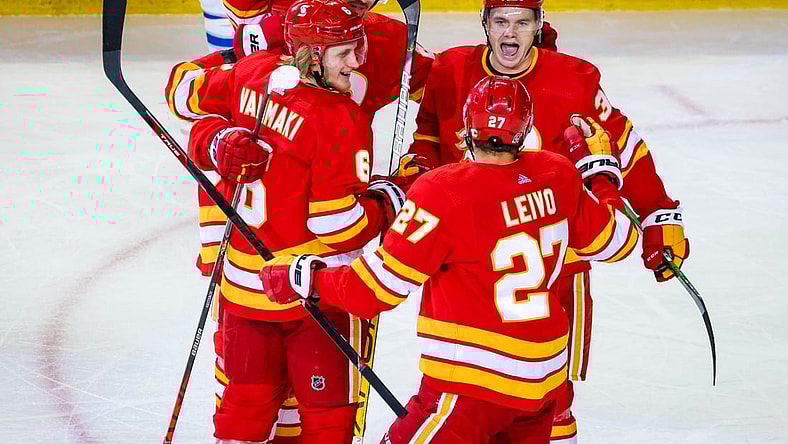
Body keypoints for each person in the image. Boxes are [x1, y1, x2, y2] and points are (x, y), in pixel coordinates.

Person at [259, 76, 638, 444]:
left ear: (466, 130)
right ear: (526, 128)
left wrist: (305, 277)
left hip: (471, 388)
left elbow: (374, 290)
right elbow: (619, 242)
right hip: (543, 387)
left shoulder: (442, 191)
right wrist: (600, 173)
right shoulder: (557, 174)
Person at [398, 0, 690, 441]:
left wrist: (658, 214)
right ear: (485, 25)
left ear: (539, 25)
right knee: (466, 386)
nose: (510, 34)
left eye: (522, 23)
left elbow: (623, 146)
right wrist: (416, 172)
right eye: (500, 22)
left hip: (556, 254)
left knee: (552, 399)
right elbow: (429, 138)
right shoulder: (451, 70)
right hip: (469, 260)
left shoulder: (572, 80)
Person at [167, 1, 407, 442]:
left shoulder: (252, 72)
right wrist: (390, 198)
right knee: (326, 419)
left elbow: (182, 95)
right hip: (313, 294)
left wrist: (219, 139)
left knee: (243, 411)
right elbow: (339, 227)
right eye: (346, 52)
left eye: (358, 47)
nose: (358, 62)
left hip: (241, 285)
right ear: (313, 57)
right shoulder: (340, 118)